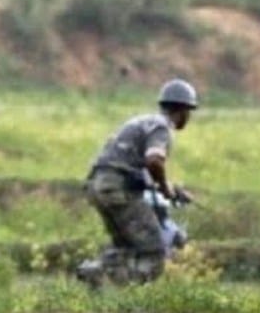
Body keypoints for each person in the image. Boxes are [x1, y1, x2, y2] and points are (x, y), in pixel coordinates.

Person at [75, 79, 198, 288]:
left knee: (126, 247)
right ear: (183, 110)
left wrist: (170, 188)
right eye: (189, 111)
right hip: (118, 190)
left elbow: (133, 166)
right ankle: (112, 284)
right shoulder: (162, 128)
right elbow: (154, 161)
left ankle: (97, 274)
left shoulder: (141, 121)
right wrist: (166, 188)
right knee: (155, 251)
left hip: (98, 186)